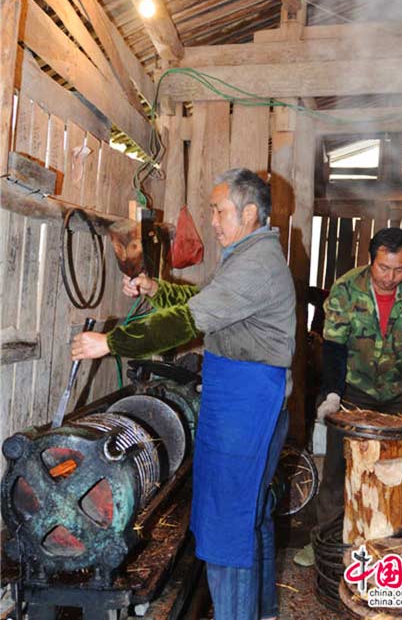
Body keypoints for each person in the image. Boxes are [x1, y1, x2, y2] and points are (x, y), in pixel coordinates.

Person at [72, 168, 296, 620]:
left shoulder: (256, 264)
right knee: (251, 509)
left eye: (218, 210)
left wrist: (112, 342)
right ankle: (264, 610)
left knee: (227, 526)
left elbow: (188, 322)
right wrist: (156, 289)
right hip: (242, 394)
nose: (211, 219)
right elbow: (199, 301)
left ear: (249, 212)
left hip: (248, 401)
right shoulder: (245, 254)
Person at [315, 227, 402, 536]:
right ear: (370, 260)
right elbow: (333, 348)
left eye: (400, 269)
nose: (390, 277)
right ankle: (327, 537)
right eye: (383, 267)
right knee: (337, 465)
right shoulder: (345, 290)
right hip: (355, 389)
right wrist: (332, 394)